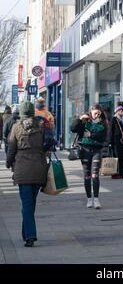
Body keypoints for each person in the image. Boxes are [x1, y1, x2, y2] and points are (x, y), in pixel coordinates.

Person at [6, 101, 49, 247]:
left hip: (23, 169)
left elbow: (11, 148)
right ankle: (26, 234)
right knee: (30, 203)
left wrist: (8, 162)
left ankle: (30, 236)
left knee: (27, 204)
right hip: (39, 168)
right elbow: (47, 145)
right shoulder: (41, 126)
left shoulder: (16, 127)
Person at [71, 104, 107, 209]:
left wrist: (91, 135)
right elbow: (73, 128)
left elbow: (103, 137)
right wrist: (80, 119)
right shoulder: (85, 122)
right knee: (87, 176)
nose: (96, 115)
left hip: (96, 150)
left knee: (95, 175)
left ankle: (96, 199)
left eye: (98, 113)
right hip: (84, 150)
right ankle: (89, 199)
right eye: (95, 113)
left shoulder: (103, 123)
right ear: (90, 112)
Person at [111, 105, 123, 178]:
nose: (122, 112)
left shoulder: (122, 119)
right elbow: (111, 131)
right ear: (117, 111)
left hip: (121, 141)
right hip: (115, 142)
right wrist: (110, 143)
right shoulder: (114, 119)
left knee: (121, 157)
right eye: (121, 110)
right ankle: (115, 173)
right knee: (116, 157)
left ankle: (121, 173)